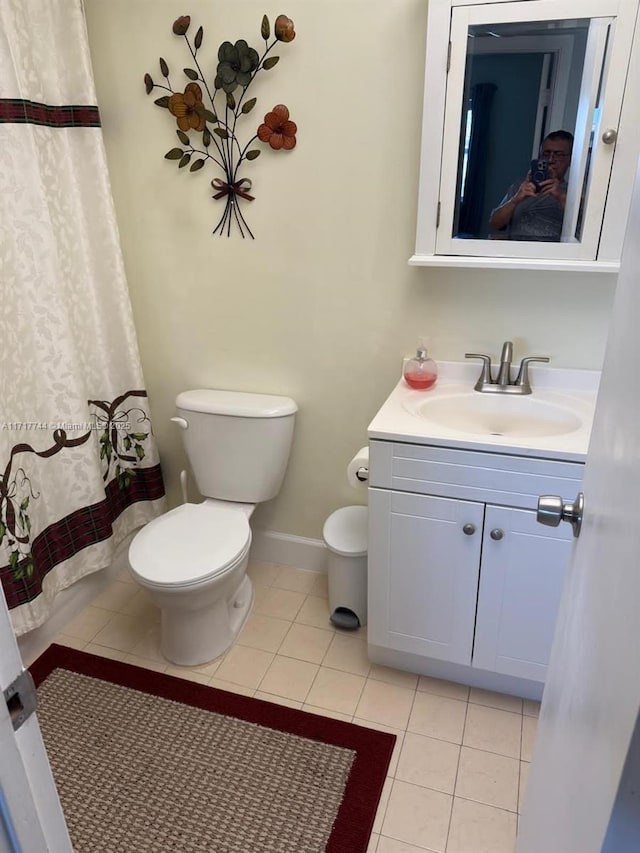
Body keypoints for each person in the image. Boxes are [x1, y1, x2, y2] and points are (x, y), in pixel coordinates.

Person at [489, 130, 573, 241]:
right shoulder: (521, 186)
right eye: (546, 154)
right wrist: (516, 199)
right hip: (515, 253)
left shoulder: (573, 193)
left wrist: (561, 197)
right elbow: (494, 224)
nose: (551, 160)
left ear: (570, 159)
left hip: (550, 255)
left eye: (559, 154)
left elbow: (584, 233)